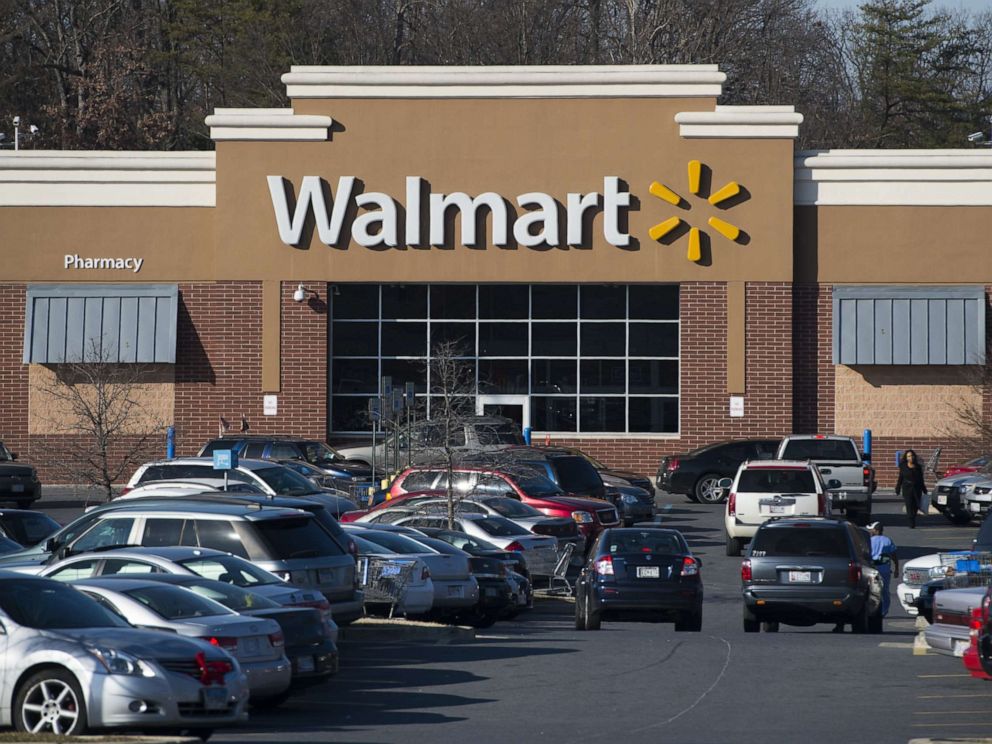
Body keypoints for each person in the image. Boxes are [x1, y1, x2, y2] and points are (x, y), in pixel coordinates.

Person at [868, 521, 898, 619]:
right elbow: (893, 555)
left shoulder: (869, 541)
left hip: (872, 569)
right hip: (884, 568)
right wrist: (896, 568)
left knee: (871, 590)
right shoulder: (887, 540)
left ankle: (872, 609)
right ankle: (884, 611)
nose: (870, 531)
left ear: (875, 530)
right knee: (885, 591)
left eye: (871, 529)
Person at [895, 449, 928, 529]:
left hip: (917, 488)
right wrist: (898, 488)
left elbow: (921, 479)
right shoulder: (903, 466)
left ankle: (913, 516)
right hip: (907, 488)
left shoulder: (918, 467)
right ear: (906, 458)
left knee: (916, 505)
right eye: (909, 456)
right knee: (909, 505)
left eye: (912, 456)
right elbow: (900, 478)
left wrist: (924, 489)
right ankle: (911, 522)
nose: (911, 458)